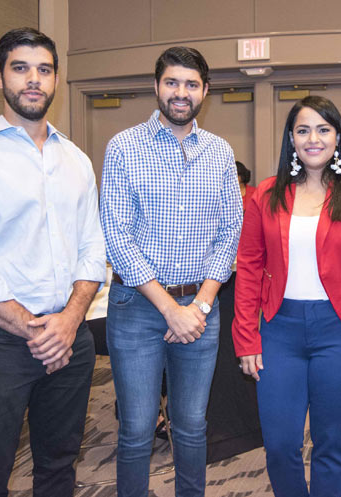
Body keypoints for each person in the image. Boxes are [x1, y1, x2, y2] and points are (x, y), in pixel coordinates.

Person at [0, 27, 106, 497]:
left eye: (44, 70)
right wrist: (35, 329)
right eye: (21, 68)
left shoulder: (76, 161)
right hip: (0, 344)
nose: (34, 80)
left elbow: (93, 248)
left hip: (70, 337)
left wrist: (69, 321)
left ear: (55, 80)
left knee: (59, 466)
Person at [100, 46, 242, 497]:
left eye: (191, 84)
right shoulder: (123, 147)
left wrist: (198, 304)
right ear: (156, 86)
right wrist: (170, 309)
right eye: (172, 82)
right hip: (138, 308)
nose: (181, 93)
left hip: (201, 309)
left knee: (192, 426)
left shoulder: (220, 153)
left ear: (205, 91)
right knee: (138, 429)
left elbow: (230, 232)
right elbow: (117, 236)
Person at [233, 95, 341, 497]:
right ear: (291, 138)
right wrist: (246, 336)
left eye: (323, 129)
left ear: (338, 137)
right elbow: (249, 268)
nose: (313, 139)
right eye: (303, 130)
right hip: (278, 332)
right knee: (281, 444)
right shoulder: (265, 195)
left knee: (331, 442)